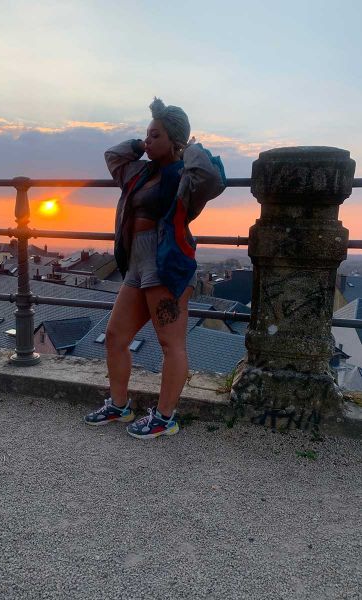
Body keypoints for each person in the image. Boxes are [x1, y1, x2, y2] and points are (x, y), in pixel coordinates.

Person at [84, 97, 226, 439]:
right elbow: (113, 156)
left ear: (174, 140)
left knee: (170, 344)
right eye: (146, 135)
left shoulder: (185, 177)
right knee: (115, 337)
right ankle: (119, 405)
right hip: (136, 263)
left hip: (166, 263)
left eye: (155, 135)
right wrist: (139, 144)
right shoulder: (141, 172)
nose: (147, 141)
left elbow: (211, 177)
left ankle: (164, 418)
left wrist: (188, 148)